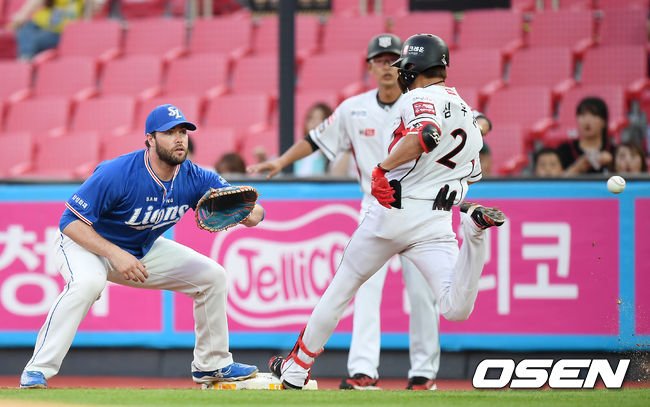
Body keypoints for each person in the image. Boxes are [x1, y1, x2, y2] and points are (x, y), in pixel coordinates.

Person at [267, 34, 506, 390]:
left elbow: (425, 134)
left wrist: (382, 168)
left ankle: (297, 367)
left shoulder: (417, 97)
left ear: (414, 67)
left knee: (344, 286)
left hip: (395, 210)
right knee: (455, 308)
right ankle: (473, 233)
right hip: (439, 219)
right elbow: (470, 171)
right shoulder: (463, 110)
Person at [19, 104, 264, 389]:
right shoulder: (118, 172)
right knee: (87, 284)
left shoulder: (195, 176)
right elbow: (69, 222)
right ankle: (36, 370)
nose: (179, 138)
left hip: (139, 249)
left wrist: (245, 214)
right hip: (83, 244)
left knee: (212, 277)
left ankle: (212, 365)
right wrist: (115, 254)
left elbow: (257, 212)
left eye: (183, 132)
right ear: (150, 139)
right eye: (169, 132)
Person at [248, 34, 442, 390]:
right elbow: (316, 139)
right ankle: (363, 369)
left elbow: (468, 123)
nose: (387, 66)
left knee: (422, 293)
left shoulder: (421, 102)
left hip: (419, 206)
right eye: (379, 59)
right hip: (376, 207)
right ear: (370, 66)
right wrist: (281, 161)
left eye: (392, 59)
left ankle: (424, 373)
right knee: (362, 287)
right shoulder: (354, 108)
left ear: (404, 65)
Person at [6, 0, 98, 61]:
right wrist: (22, 14)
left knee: (34, 40)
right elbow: (33, 3)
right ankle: (26, 57)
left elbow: (90, 15)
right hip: (39, 24)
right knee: (24, 27)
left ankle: (25, 59)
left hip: (59, 31)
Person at [556, 97, 615, 175]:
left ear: (604, 121)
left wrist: (612, 163)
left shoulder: (614, 152)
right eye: (582, 115)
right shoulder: (564, 150)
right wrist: (577, 168)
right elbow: (554, 180)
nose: (587, 121)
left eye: (594, 115)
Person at [293, 103, 333, 176]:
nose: (315, 122)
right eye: (311, 118)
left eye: (321, 119)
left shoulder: (333, 155)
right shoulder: (295, 153)